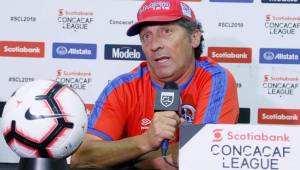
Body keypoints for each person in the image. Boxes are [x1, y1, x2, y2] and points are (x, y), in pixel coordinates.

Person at [71, 0, 239, 169]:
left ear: (194, 38)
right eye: (146, 36)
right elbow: (82, 157)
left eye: (166, 31)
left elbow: (203, 152)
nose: (154, 45)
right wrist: (146, 141)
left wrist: (123, 159)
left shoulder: (215, 78)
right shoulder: (121, 87)